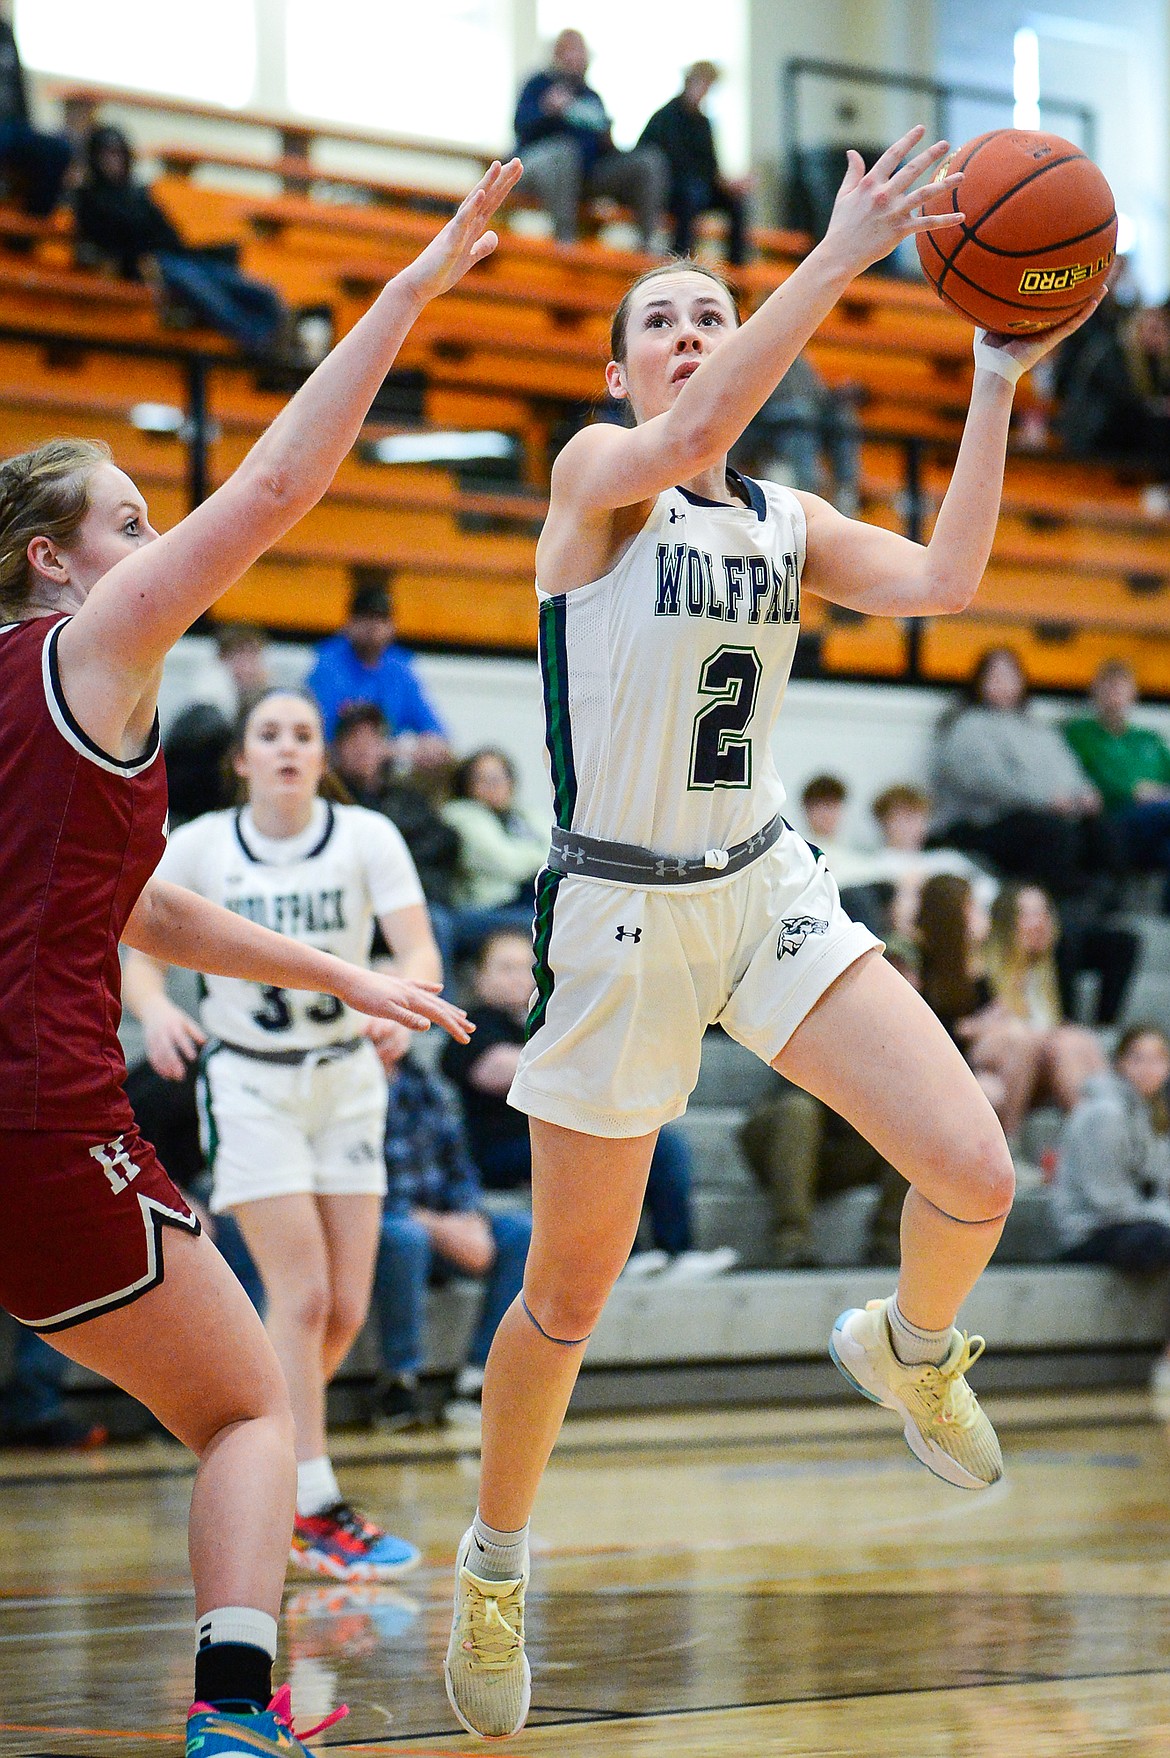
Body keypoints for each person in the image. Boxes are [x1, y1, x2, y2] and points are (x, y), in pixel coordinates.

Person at [441, 129, 1093, 1738]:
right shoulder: (593, 486)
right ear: (613, 373)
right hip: (614, 916)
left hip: (762, 884)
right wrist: (837, 252)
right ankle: (495, 1560)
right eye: (660, 320)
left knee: (976, 1168)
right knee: (567, 1302)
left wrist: (995, 376)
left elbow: (945, 577)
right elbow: (700, 427)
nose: (690, 334)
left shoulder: (785, 517)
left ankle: (908, 1342)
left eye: (708, 312)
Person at [0, 156, 516, 1758]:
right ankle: (235, 1716)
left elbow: (138, 905)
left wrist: (345, 973)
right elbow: (279, 492)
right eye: (129, 526)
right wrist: (406, 299)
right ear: (53, 560)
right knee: (245, 1406)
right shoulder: (89, 652)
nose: (153, 547)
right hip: (38, 1116)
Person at [123, 683, 446, 1582]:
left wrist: (403, 1004)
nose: (289, 748)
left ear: (321, 754)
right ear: (241, 757)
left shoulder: (367, 838)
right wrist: (152, 1011)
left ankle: (261, 1451)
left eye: (304, 733)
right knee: (299, 1297)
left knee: (343, 1308)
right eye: (270, 734)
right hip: (249, 1084)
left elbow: (417, 949)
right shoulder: (198, 846)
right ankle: (313, 1499)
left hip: (345, 1078)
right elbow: (136, 943)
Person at [441, 930, 731, 1277]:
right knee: (588, 1147)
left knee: (663, 1144)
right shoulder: (471, 1024)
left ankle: (677, 1250)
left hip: (566, 1130)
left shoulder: (551, 1017)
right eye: (505, 968)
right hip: (505, 1148)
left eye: (525, 966)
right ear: (480, 976)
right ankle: (623, 1256)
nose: (519, 976)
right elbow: (496, 1070)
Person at [374, 1052, 532, 1429]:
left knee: (521, 1234)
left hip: (438, 1216)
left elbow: (459, 1166)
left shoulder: (423, 1083)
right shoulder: (336, 1081)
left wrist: (470, 1216)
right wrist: (433, 1224)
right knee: (405, 1238)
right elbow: (351, 1187)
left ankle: (478, 1380)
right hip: (377, 1222)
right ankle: (398, 1384)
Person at [72, 125, 291, 360]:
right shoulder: (89, 198)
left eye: (117, 153)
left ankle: (267, 343)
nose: (112, 160)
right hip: (152, 267)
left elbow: (170, 234)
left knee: (266, 294)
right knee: (207, 293)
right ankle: (257, 344)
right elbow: (107, 243)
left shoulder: (139, 194)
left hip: (181, 258)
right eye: (106, 153)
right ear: (95, 157)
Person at [1050, 1024, 1170, 1400]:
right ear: (1120, 1063)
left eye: (1157, 1059)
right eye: (1138, 1058)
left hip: (1130, 1224)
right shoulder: (1105, 1112)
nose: (1148, 1068)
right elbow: (1110, 1203)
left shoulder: (1153, 1113)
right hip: (1088, 1231)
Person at [930, 646, 1107, 898]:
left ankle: (1102, 909)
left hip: (1041, 816)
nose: (1004, 684)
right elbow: (989, 781)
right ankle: (1048, 907)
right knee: (1053, 833)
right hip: (984, 823)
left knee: (1101, 829)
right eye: (995, 676)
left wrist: (1084, 793)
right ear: (979, 681)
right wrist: (1047, 800)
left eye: (1010, 676)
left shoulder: (1037, 728)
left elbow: (1068, 768)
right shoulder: (968, 725)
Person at [513, 29, 668, 251]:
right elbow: (520, 128)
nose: (576, 57)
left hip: (585, 175)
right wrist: (547, 110)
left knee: (649, 160)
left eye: (580, 52)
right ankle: (566, 242)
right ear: (557, 54)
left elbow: (603, 151)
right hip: (536, 168)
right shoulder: (538, 85)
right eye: (569, 51)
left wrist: (607, 140)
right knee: (565, 151)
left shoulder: (591, 97)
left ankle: (649, 243)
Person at [739, 1083, 907, 1266]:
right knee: (798, 1110)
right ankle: (791, 1241)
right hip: (784, 1138)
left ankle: (890, 1241)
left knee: (909, 1117)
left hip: (848, 1144)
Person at [307, 578, 450, 763]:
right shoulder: (328, 664)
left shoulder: (400, 668)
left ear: (392, 627)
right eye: (365, 618)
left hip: (385, 771)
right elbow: (322, 738)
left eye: (381, 619)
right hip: (339, 767)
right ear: (349, 623)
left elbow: (437, 734)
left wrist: (420, 748)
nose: (373, 627)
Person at [1065, 658, 1170, 908]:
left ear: (1133, 694)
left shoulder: (1148, 739)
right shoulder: (1078, 733)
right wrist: (1136, 791)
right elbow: (1086, 780)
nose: (1115, 695)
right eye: (1109, 687)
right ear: (1095, 691)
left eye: (1121, 688)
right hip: (1114, 821)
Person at [637, 62, 751, 265]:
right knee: (690, 194)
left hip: (698, 188)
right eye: (702, 83)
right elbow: (664, 163)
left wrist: (729, 185)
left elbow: (710, 166)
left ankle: (737, 268)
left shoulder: (703, 123)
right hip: (671, 190)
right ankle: (681, 261)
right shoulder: (666, 117)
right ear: (689, 82)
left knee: (736, 202)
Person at [164, 625, 276, 825]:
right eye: (242, 655)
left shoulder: (245, 702)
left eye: (255, 656)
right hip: (188, 815)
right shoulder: (206, 714)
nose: (251, 666)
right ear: (222, 660)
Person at [441, 747, 546, 953]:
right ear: (467, 785)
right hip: (486, 908)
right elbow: (508, 863)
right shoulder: (461, 815)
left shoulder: (524, 814)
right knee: (549, 925)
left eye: (500, 778)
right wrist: (540, 856)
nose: (494, 786)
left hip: (528, 899)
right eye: (484, 779)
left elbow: (561, 853)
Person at [0, 16, 71, 219]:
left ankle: (31, 226)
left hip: (13, 125)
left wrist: (27, 123)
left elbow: (18, 85)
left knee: (58, 150)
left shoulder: (5, 31)